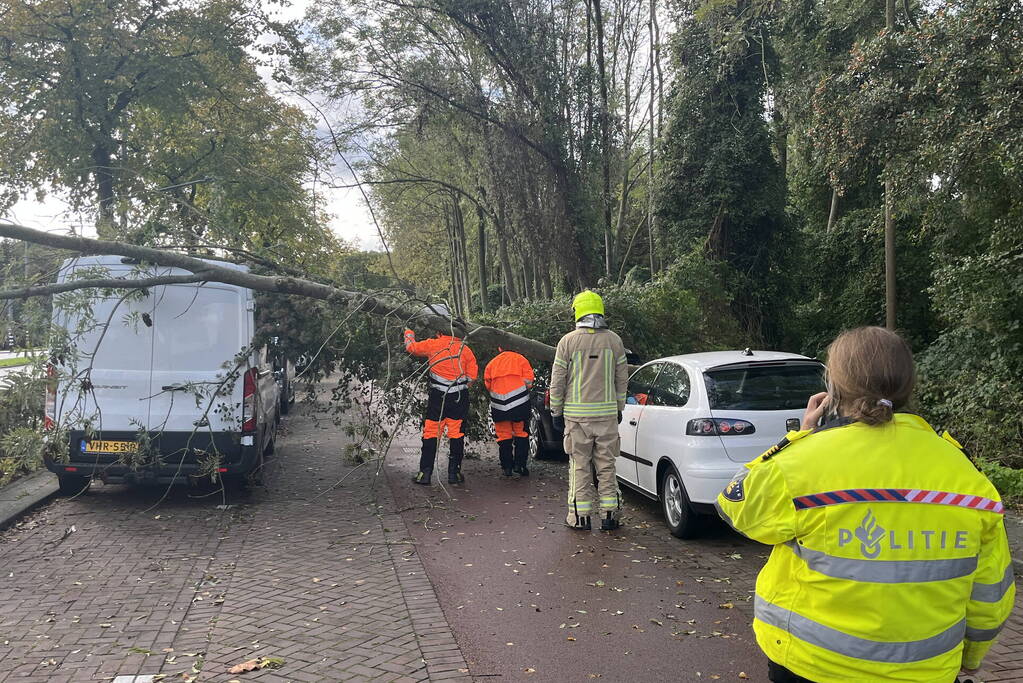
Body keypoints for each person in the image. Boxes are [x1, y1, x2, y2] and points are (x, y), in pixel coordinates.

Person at [716, 326, 1014, 683]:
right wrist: (972, 656)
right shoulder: (968, 477)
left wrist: (797, 437)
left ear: (834, 389)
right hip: (926, 672)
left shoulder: (802, 463)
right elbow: (990, 593)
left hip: (811, 665)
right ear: (907, 386)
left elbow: (738, 506)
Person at [549, 290, 629, 531]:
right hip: (606, 418)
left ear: (578, 312)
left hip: (576, 419)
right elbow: (622, 378)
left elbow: (558, 379)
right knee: (607, 466)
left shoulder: (568, 341)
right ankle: (610, 516)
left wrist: (555, 410)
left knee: (580, 466)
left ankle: (579, 518)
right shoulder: (614, 340)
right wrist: (619, 407)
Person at [404, 305, 478, 485]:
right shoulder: (464, 349)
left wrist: (408, 331)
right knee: (457, 434)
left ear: (437, 329)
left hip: (438, 396)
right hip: (459, 397)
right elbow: (471, 378)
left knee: (431, 432)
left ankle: (425, 474)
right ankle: (454, 474)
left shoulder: (432, 345)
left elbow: (411, 348)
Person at [484, 348, 535, 477]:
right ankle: (520, 465)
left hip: (499, 404)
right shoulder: (521, 359)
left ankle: (507, 467)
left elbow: (488, 384)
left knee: (503, 436)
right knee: (521, 434)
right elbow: (529, 382)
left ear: (500, 348)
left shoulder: (492, 363)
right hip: (520, 403)